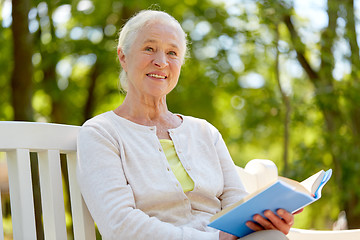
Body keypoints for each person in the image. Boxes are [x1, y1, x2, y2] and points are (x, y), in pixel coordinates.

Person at [77, 9, 297, 240]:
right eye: (149, 48)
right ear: (123, 56)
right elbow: (119, 225)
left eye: (172, 53)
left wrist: (263, 222)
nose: (161, 62)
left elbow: (235, 202)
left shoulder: (205, 132)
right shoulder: (101, 133)